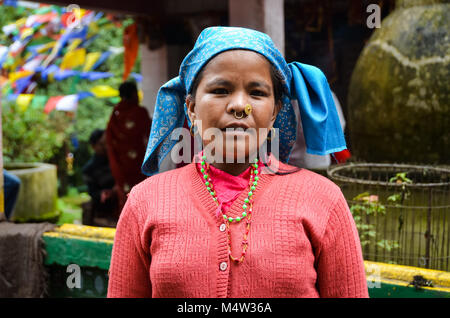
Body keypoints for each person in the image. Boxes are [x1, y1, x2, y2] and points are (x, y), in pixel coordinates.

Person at [107, 27, 368, 298]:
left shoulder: (323, 200)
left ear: (275, 112)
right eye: (221, 90)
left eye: (257, 93)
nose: (240, 106)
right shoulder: (144, 202)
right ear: (192, 109)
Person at [105, 81, 152, 211]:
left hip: (120, 165)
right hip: (138, 164)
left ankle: (125, 227)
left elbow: (109, 141)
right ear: (133, 94)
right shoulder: (140, 112)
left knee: (125, 198)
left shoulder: (115, 114)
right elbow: (152, 135)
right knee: (142, 196)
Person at [82, 129, 118, 226]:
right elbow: (93, 193)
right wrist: (108, 193)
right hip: (105, 210)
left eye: (107, 143)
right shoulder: (89, 169)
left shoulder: (117, 160)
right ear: (93, 146)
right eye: (102, 144)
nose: (106, 147)